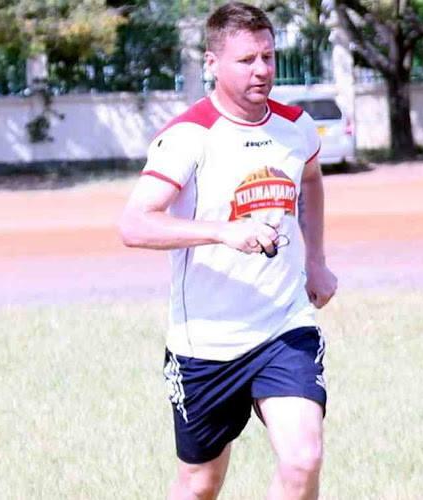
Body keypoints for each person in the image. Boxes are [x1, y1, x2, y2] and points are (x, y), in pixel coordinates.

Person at [119, 2, 338, 498]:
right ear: (212, 62)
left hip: (283, 325)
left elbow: (310, 180)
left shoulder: (296, 127)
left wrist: (317, 261)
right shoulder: (189, 137)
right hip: (207, 344)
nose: (261, 70)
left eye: (268, 56)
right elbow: (134, 224)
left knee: (303, 459)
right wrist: (223, 231)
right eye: (246, 60)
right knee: (201, 484)